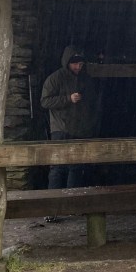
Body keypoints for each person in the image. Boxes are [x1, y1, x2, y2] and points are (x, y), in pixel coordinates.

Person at [40, 45, 102, 189]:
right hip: (60, 129)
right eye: (75, 63)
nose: (78, 67)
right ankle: (53, 204)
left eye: (81, 64)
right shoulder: (55, 78)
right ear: (67, 62)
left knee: (76, 168)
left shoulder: (86, 80)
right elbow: (45, 101)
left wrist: (90, 125)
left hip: (80, 130)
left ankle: (72, 204)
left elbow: (92, 104)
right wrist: (68, 99)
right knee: (58, 167)